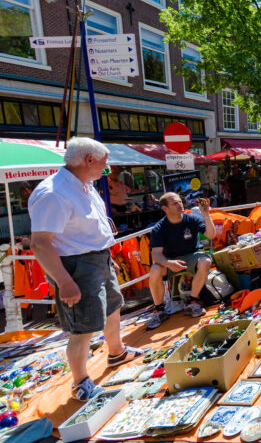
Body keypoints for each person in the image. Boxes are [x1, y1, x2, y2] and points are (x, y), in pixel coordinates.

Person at [28, 137, 145, 401]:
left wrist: (105, 256)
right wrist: (65, 281)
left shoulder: (84, 185)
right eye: (104, 163)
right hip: (76, 265)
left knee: (113, 306)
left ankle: (116, 352)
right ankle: (80, 382)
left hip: (96, 258)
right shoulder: (54, 193)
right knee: (83, 326)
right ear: (88, 160)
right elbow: (40, 244)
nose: (107, 168)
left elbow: (90, 226)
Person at [145, 192, 215, 330]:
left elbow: (211, 235)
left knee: (205, 261)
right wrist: (168, 263)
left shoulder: (192, 219)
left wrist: (206, 214)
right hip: (169, 261)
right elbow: (156, 256)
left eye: (180, 202)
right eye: (174, 203)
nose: (179, 205)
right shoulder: (159, 228)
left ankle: (192, 302)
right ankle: (159, 310)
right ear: (165, 208)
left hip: (192, 256)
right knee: (154, 270)